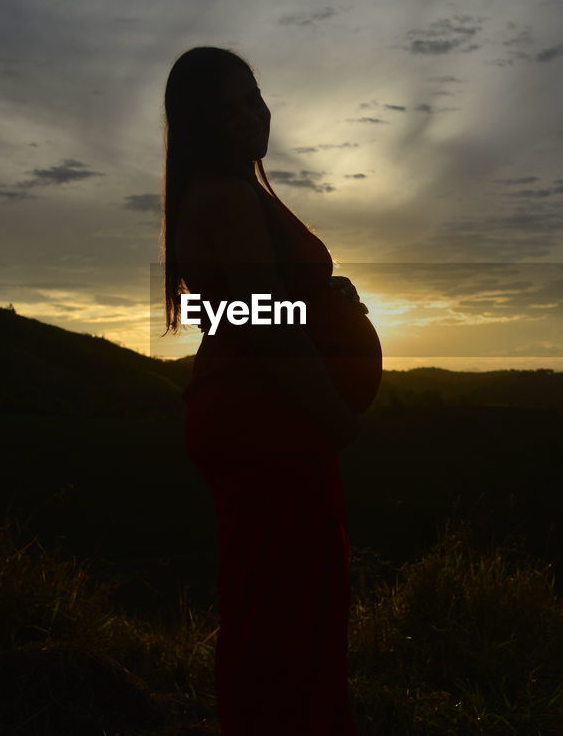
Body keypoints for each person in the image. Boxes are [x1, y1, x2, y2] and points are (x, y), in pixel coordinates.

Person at [159, 46, 383, 735]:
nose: (248, 117)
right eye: (225, 110)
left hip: (259, 416)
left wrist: (325, 295)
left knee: (278, 608)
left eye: (251, 98)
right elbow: (260, 323)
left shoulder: (233, 190)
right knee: (283, 619)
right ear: (199, 126)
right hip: (270, 425)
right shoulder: (225, 194)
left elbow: (221, 311)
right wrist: (333, 416)